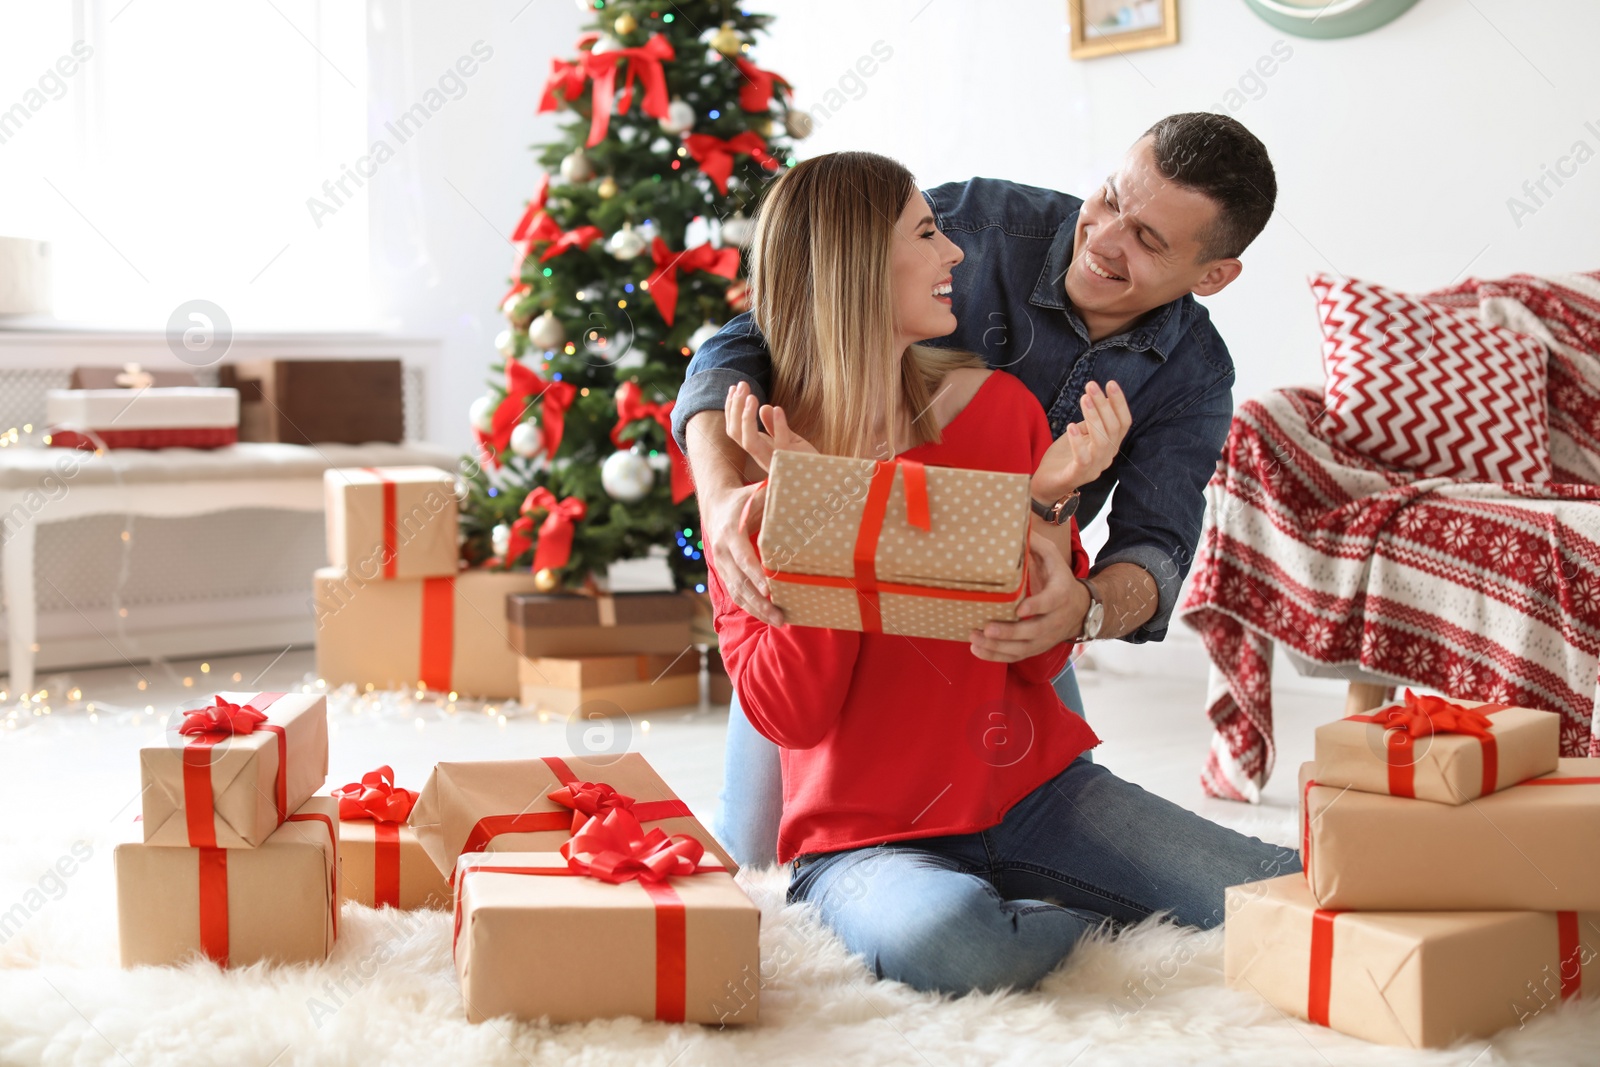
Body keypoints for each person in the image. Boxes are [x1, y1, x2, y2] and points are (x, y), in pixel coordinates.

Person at [704, 150, 1297, 996]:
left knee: (1286, 886)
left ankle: (1057, 888)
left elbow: (1036, 656)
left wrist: (1051, 510)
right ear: (857, 266)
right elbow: (792, 713)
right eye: (926, 235)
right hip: (864, 835)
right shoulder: (754, 472)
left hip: (1035, 792)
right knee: (953, 940)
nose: (956, 255)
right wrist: (820, 515)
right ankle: (1065, 911)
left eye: (1151, 238)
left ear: (1210, 272)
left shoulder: (1002, 411)